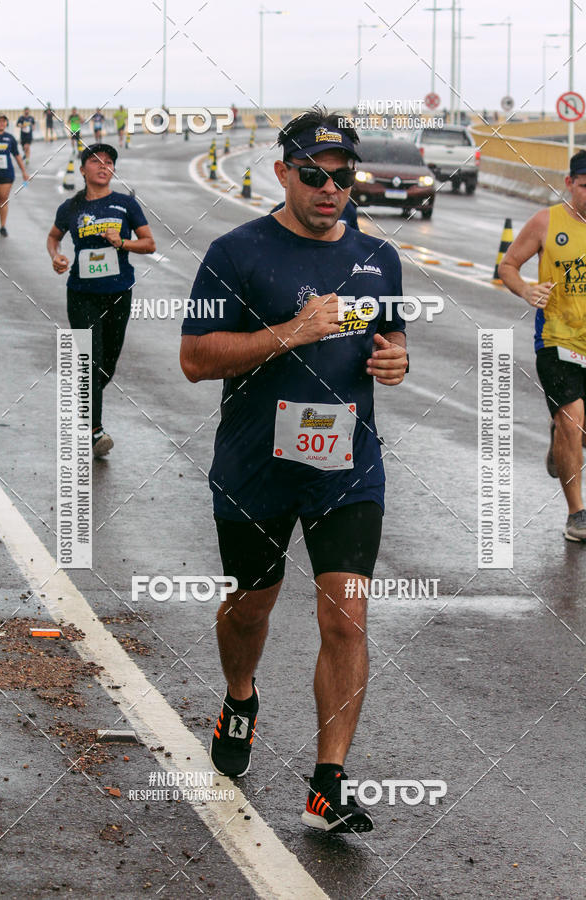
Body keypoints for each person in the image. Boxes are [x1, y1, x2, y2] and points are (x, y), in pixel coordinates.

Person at [180, 107, 408, 834]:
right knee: (251, 607)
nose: (330, 188)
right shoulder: (235, 252)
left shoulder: (380, 258)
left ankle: (327, 784)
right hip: (256, 466)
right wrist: (291, 332)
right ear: (283, 173)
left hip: (345, 462)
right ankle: (241, 695)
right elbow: (194, 360)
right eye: (314, 174)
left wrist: (396, 360)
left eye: (344, 177)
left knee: (348, 607)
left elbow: (391, 339)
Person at [499, 148, 586, 541]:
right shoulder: (546, 221)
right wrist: (526, 289)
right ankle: (577, 514)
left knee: (576, 430)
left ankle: (561, 442)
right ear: (569, 183)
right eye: (585, 186)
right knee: (572, 419)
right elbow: (507, 265)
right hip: (555, 339)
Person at [47, 143, 156, 456]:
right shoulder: (71, 208)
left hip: (119, 292)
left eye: (109, 162)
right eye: (96, 161)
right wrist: (56, 256)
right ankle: (95, 432)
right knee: (91, 362)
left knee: (107, 365)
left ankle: (85, 403)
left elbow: (149, 244)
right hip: (82, 294)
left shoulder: (125, 204)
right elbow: (54, 237)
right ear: (83, 170)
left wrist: (122, 242)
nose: (103, 166)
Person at [0, 114, 29, 237]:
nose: (1, 123)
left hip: (6, 174)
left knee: (3, 200)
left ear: (6, 124)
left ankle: (2, 226)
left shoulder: (10, 138)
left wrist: (24, 172)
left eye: (4, 121)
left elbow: (17, 155)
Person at [271, 196, 359, 229]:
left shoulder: (346, 209)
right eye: (313, 176)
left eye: (342, 177)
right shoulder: (280, 213)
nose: (329, 188)